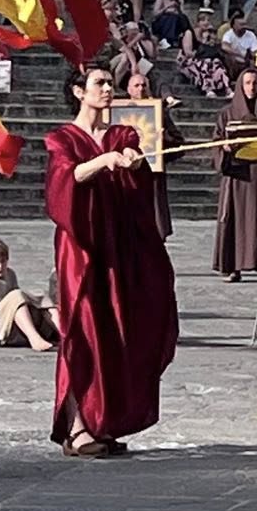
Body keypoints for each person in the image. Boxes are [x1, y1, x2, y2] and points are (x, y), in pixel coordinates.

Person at [44, 65, 179, 458]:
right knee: (81, 330)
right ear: (78, 92)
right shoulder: (62, 138)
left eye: (109, 83)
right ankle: (75, 426)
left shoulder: (123, 134)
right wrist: (105, 161)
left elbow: (136, 174)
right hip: (82, 248)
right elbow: (65, 181)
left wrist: (133, 162)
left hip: (120, 245)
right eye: (99, 83)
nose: (107, 89)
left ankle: (104, 421)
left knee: (117, 330)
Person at [214, 65, 257, 281]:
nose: (252, 87)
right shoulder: (228, 114)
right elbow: (217, 140)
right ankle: (234, 267)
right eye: (248, 83)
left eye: (255, 83)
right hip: (238, 175)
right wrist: (224, 148)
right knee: (236, 219)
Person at [125, 69, 183, 241]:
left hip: (153, 174)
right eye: (136, 85)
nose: (141, 89)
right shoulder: (117, 112)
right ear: (128, 89)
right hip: (127, 175)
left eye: (144, 85)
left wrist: (164, 138)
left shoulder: (159, 113)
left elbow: (179, 143)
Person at [180, 12, 232, 100]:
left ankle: (227, 88)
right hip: (190, 61)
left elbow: (213, 49)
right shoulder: (190, 33)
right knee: (204, 64)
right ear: (197, 22)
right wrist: (201, 50)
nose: (206, 22)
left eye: (208, 20)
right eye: (203, 20)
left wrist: (210, 37)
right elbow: (188, 53)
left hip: (207, 59)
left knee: (217, 62)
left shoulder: (209, 34)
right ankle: (207, 88)